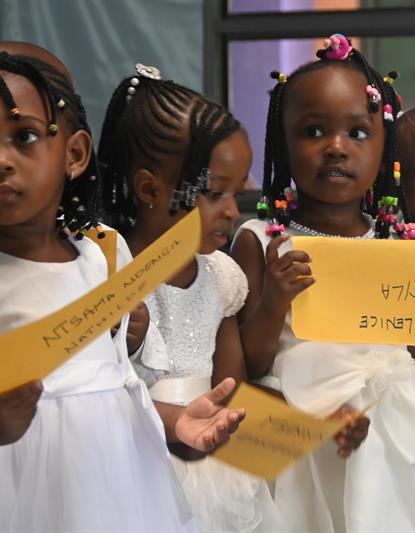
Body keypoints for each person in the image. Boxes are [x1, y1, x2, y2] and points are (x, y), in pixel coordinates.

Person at [0, 46, 242, 532]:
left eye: (25, 137)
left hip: (114, 486)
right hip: (10, 492)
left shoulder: (99, 261)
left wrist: (175, 421)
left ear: (74, 154)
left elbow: (113, 386)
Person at [231, 34, 415, 532]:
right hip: (305, 446)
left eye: (358, 133)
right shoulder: (261, 241)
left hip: (396, 448)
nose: (336, 147)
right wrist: (274, 301)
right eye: (312, 132)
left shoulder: (400, 243)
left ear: (384, 147)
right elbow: (248, 365)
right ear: (282, 144)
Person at [97, 65, 287, 532]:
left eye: (236, 192)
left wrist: (299, 423)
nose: (230, 211)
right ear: (148, 188)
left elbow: (230, 388)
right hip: (132, 463)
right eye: (212, 192)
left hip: (213, 470)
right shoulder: (107, 273)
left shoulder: (222, 277)